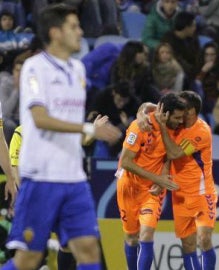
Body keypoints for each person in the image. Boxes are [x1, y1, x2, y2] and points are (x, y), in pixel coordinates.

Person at [2, 4, 121, 270]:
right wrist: (89, 129)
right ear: (55, 33)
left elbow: (66, 126)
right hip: (42, 178)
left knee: (89, 251)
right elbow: (40, 118)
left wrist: (86, 135)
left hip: (74, 178)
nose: (81, 32)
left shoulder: (78, 71)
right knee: (28, 260)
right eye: (74, 27)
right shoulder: (35, 68)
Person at [116, 93, 183, 269]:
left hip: (151, 191)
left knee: (146, 234)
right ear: (165, 114)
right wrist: (158, 179)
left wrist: (160, 180)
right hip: (128, 187)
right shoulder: (140, 126)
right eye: (177, 118)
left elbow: (169, 156)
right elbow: (126, 162)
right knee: (131, 237)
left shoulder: (176, 130)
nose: (180, 121)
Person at [154, 91, 217, 269]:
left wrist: (163, 128)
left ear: (191, 111)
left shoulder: (201, 132)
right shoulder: (176, 125)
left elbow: (174, 153)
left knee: (204, 238)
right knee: (188, 246)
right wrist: (142, 112)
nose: (179, 112)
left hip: (202, 194)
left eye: (183, 108)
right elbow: (149, 108)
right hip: (180, 195)